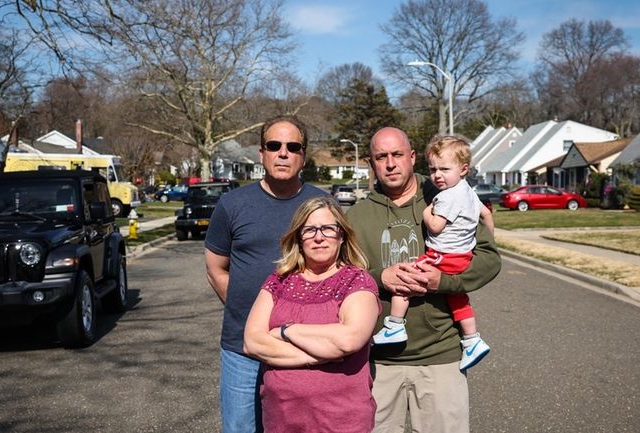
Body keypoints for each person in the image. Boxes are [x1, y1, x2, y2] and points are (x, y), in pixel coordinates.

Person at [345, 127, 501, 433]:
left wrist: (444, 281)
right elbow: (340, 278)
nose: (390, 163)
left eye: (397, 155)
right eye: (381, 157)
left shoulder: (449, 195)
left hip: (440, 357)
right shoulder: (356, 216)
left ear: (412, 157)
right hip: (377, 362)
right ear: (371, 163)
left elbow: (489, 259)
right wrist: (379, 278)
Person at [205, 115, 326, 433]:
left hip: (302, 346)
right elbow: (215, 268)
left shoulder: (322, 204)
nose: (283, 153)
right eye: (274, 145)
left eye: (292, 146)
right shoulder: (232, 204)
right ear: (262, 153)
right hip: (241, 348)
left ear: (304, 155)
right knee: (241, 428)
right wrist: (252, 320)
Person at [243, 196, 381, 432]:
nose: (318, 237)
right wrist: (316, 356)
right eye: (309, 230)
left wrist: (287, 331)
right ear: (298, 237)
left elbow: (348, 340)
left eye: (327, 228)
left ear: (342, 235)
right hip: (282, 418)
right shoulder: (278, 281)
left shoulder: (356, 281)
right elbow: (253, 342)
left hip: (340, 419)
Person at [372, 136, 493, 371]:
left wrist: (428, 212)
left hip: (442, 255)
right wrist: (484, 236)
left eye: (444, 169)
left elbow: (436, 226)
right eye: (433, 169)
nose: (437, 175)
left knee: (405, 279)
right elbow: (486, 215)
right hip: (462, 256)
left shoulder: (446, 196)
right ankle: (472, 340)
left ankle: (394, 326)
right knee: (458, 299)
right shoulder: (468, 191)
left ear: (464, 169)